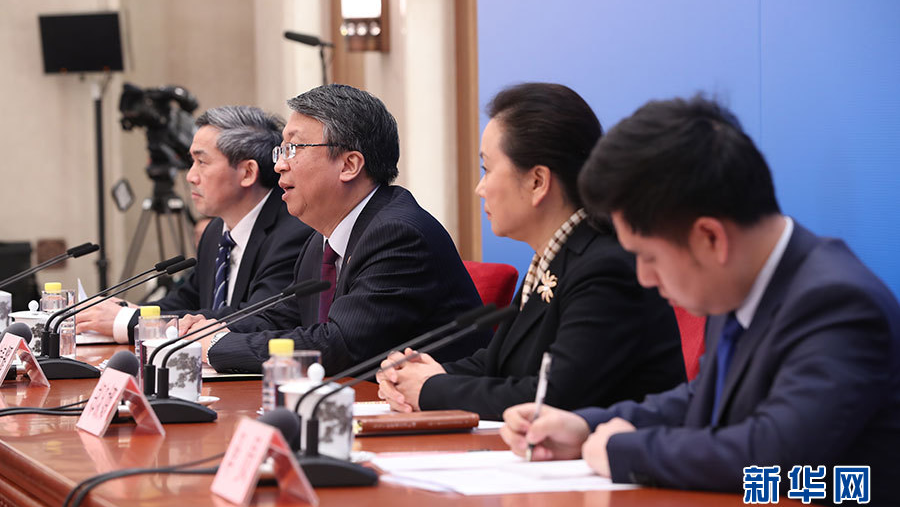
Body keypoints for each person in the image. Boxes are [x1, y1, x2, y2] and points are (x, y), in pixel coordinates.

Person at [500, 96, 900, 507]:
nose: (644, 277)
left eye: (649, 257)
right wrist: (585, 426)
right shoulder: (741, 284)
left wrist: (624, 451)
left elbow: (773, 453)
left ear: (710, 238)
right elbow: (703, 397)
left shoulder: (837, 304)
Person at [376, 83, 685, 420]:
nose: (480, 188)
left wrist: (431, 389)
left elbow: (554, 398)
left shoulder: (605, 268)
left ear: (538, 181)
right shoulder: (556, 256)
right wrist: (418, 376)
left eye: (487, 169)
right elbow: (499, 364)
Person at [184, 84, 488, 374]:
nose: (279, 165)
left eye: (294, 148)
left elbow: (340, 345)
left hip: (441, 406)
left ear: (349, 165)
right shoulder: (323, 238)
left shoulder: (398, 235)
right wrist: (204, 331)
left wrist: (219, 346)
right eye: (282, 150)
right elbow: (282, 316)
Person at [77, 106, 313, 343]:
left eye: (202, 162)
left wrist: (131, 321)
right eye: (192, 162)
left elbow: (256, 318)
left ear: (247, 173)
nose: (190, 176)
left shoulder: (293, 232)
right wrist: (129, 310)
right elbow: (186, 300)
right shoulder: (215, 230)